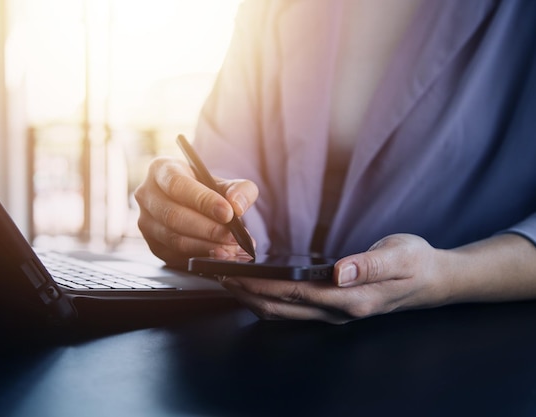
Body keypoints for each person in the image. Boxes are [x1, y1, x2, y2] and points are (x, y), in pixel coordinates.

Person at [135, 0, 536, 324]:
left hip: (467, 343)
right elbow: (227, 160)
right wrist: (203, 225)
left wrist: (448, 275)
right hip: (263, 335)